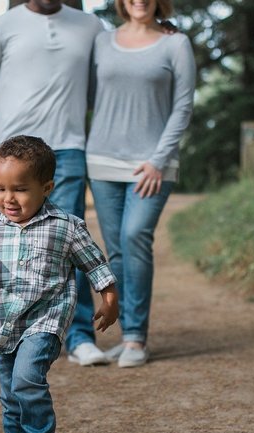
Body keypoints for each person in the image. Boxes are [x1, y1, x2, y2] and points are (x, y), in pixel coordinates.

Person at [0, 0, 114, 366]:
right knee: (13, 241)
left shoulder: (90, 27)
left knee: (68, 237)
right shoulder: (0, 27)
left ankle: (78, 337)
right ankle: (25, 332)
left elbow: (116, 69)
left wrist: (158, 26)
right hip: (12, 157)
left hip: (68, 147)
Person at [0, 135, 119, 433]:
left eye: (19, 189)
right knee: (9, 393)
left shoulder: (64, 226)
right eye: (0, 188)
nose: (8, 199)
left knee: (27, 379)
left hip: (46, 321)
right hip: (5, 326)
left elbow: (95, 265)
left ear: (46, 188)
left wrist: (109, 299)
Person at [84, 0, 196, 367]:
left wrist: (158, 160)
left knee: (135, 236)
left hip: (152, 165)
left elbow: (182, 107)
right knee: (115, 249)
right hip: (102, 160)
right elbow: (89, 96)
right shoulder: (102, 42)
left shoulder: (175, 44)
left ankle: (136, 339)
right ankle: (127, 332)